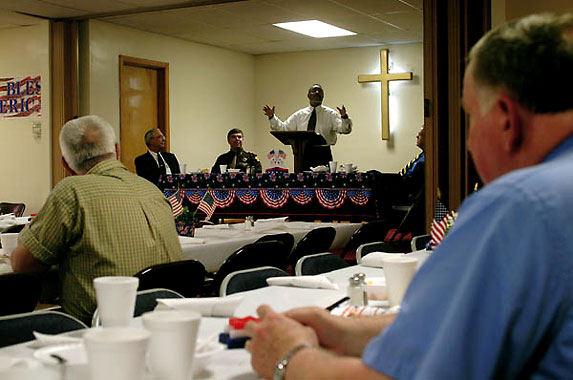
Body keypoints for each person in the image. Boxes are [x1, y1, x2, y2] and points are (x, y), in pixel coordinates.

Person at [245, 13, 573, 379]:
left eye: (470, 118)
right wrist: (342, 330)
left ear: (505, 118)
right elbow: (464, 330)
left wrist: (290, 359)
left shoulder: (519, 206)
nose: (467, 141)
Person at [11, 116, 184, 324]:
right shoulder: (152, 190)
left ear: (66, 164)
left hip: (95, 328)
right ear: (116, 151)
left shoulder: (72, 192)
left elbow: (22, 266)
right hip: (165, 320)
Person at [263, 84, 352, 170]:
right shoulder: (299, 115)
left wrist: (344, 117)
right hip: (303, 154)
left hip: (323, 154)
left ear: (323, 96)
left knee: (324, 184)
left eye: (319, 91)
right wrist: (272, 117)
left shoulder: (331, 114)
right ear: (308, 95)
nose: (317, 93)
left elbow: (344, 129)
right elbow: (283, 128)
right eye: (314, 91)